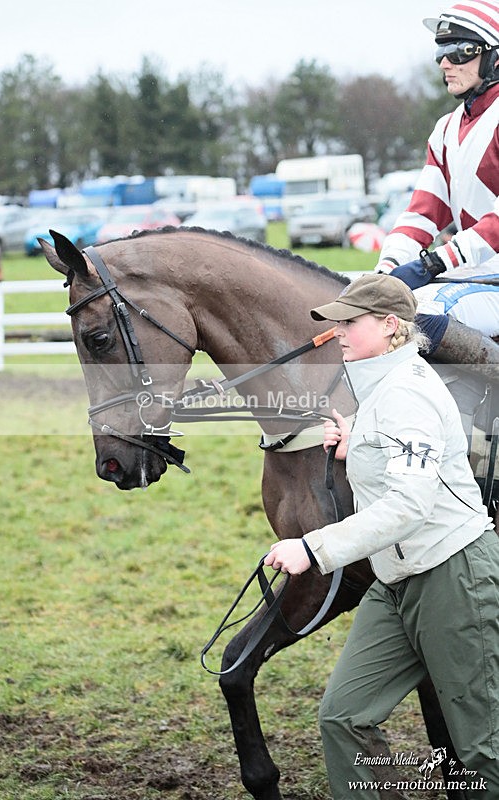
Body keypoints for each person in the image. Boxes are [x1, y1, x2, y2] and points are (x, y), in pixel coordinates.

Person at [264, 273, 499, 798]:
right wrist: (358, 446)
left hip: (453, 575)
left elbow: (409, 505)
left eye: (350, 322)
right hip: (396, 581)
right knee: (343, 716)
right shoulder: (378, 387)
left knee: (483, 751)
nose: (338, 332)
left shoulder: (405, 393)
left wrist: (312, 548)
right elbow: (402, 462)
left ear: (390, 326)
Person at [375, 1, 499, 371]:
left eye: (458, 51)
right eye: (440, 52)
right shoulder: (445, 129)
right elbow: (421, 212)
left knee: (424, 311)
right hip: (478, 279)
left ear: (493, 57)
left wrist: (435, 262)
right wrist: (387, 268)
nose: (444, 62)